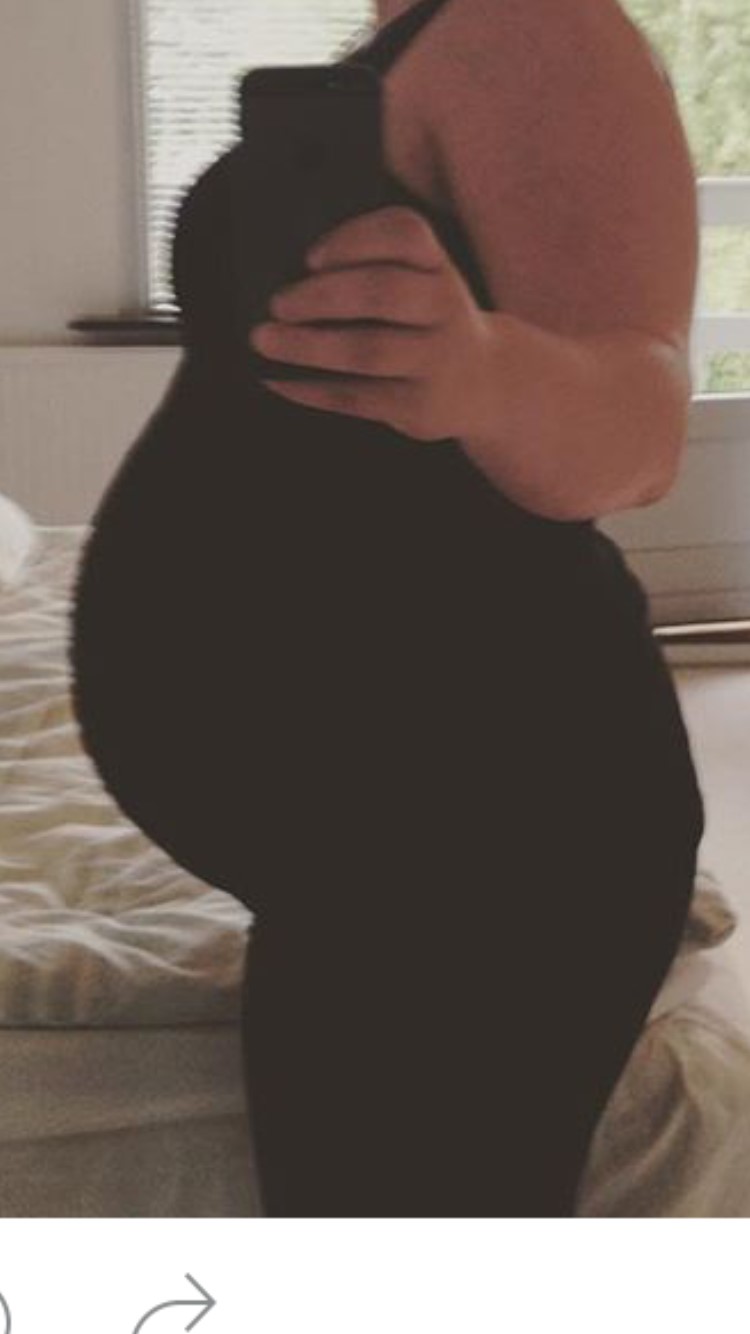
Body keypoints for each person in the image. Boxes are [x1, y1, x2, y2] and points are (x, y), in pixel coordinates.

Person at [71, 0, 705, 1217]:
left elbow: (643, 428)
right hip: (383, 831)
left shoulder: (533, 24)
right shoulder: (415, 36)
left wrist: (482, 371)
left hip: (486, 824)